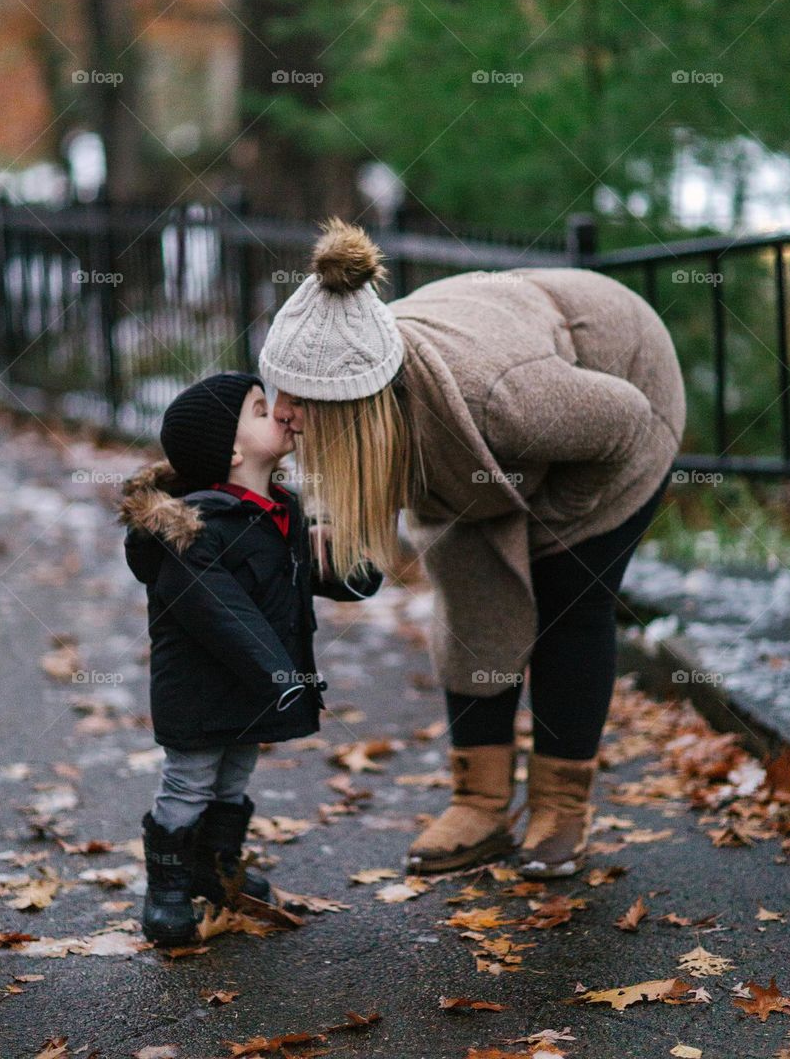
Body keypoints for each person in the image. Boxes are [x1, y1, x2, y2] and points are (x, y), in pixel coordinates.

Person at [257, 218, 686, 878]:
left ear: (356, 405)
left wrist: (550, 529)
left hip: (617, 385)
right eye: (278, 391)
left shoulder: (503, 401)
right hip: (480, 450)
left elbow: (625, 423)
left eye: (301, 401)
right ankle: (480, 802)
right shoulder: (342, 383)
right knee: (468, 594)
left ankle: (559, 808)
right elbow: (360, 562)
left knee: (567, 599)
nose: (281, 413)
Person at [119, 371, 382, 945]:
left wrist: (351, 570)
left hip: (257, 685)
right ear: (233, 449)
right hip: (202, 688)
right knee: (189, 783)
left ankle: (217, 868)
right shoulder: (195, 530)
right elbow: (223, 611)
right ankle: (166, 888)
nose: (283, 414)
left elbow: (296, 578)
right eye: (263, 409)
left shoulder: (277, 510)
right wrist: (280, 675)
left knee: (234, 776)